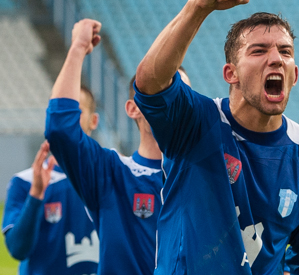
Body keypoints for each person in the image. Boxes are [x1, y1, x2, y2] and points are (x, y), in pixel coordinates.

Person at [133, 0, 299, 275]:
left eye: (285, 51)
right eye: (259, 50)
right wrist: (198, 7)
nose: (276, 58)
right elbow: (150, 83)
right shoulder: (196, 122)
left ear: (294, 75)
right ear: (231, 74)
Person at [45, 18, 190, 275]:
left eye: (181, 95)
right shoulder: (111, 172)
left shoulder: (208, 176)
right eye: (161, 92)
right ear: (133, 108)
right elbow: (60, 129)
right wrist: (78, 48)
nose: (171, 103)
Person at [2, 86, 99, 275]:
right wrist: (36, 196)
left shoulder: (114, 175)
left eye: (76, 111)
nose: (67, 118)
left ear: (93, 120)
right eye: (60, 112)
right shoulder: (24, 182)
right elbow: (17, 249)